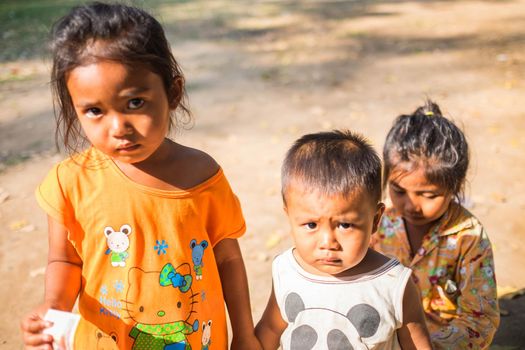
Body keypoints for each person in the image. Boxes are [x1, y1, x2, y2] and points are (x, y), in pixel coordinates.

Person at [19, 2, 260, 349]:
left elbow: (228, 259)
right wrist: (53, 308)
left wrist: (244, 333)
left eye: (135, 103)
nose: (118, 127)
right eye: (94, 111)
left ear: (173, 92)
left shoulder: (203, 177)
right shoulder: (70, 182)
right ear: (75, 109)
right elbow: (64, 259)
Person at [255, 130, 433, 349]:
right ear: (289, 217)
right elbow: (271, 328)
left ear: (376, 219)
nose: (328, 242)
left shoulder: (393, 284)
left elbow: (416, 343)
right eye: (311, 225)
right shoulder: (286, 271)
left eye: (345, 225)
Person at [371, 101, 500, 349]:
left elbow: (480, 319)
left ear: (455, 187)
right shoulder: (378, 219)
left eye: (428, 195)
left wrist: (428, 345)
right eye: (398, 190)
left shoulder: (469, 237)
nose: (411, 205)